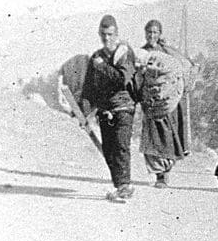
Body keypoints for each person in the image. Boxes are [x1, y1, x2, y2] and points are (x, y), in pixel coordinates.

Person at [81, 15, 137, 201]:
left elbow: (122, 79)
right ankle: (120, 185)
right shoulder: (96, 57)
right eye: (103, 34)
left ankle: (124, 185)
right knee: (109, 150)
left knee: (121, 146)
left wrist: (103, 67)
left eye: (110, 34)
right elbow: (88, 88)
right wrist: (85, 112)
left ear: (117, 34)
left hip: (124, 107)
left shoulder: (125, 53)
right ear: (99, 34)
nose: (107, 38)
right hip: (105, 110)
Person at [137, 19, 189, 188]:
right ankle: (159, 173)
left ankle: (164, 174)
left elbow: (181, 68)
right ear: (145, 33)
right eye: (149, 32)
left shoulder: (167, 51)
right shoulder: (141, 52)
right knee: (152, 137)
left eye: (155, 32)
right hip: (150, 102)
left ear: (160, 34)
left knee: (166, 136)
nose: (152, 35)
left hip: (167, 103)